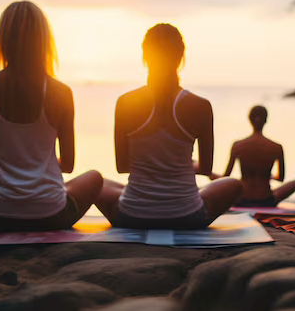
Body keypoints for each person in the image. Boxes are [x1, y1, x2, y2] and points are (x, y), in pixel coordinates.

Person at [0, 1, 103, 231]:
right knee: (94, 177)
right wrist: (36, 165)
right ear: (44, 42)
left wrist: (9, 171)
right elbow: (69, 165)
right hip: (52, 215)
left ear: (2, 40)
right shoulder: (62, 92)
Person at [95, 23, 242, 229]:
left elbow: (122, 166)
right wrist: (178, 164)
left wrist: (154, 167)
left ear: (144, 56)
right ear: (181, 56)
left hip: (131, 215)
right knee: (232, 184)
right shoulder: (201, 106)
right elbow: (206, 169)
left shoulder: (126, 102)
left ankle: (139, 198)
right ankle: (175, 200)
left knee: (96, 182)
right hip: (189, 216)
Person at [224, 105, 295, 207]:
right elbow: (281, 178)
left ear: (250, 120)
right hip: (266, 200)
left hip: (241, 199)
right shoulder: (277, 147)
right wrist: (269, 176)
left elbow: (225, 178)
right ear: (265, 120)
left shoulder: (237, 145)